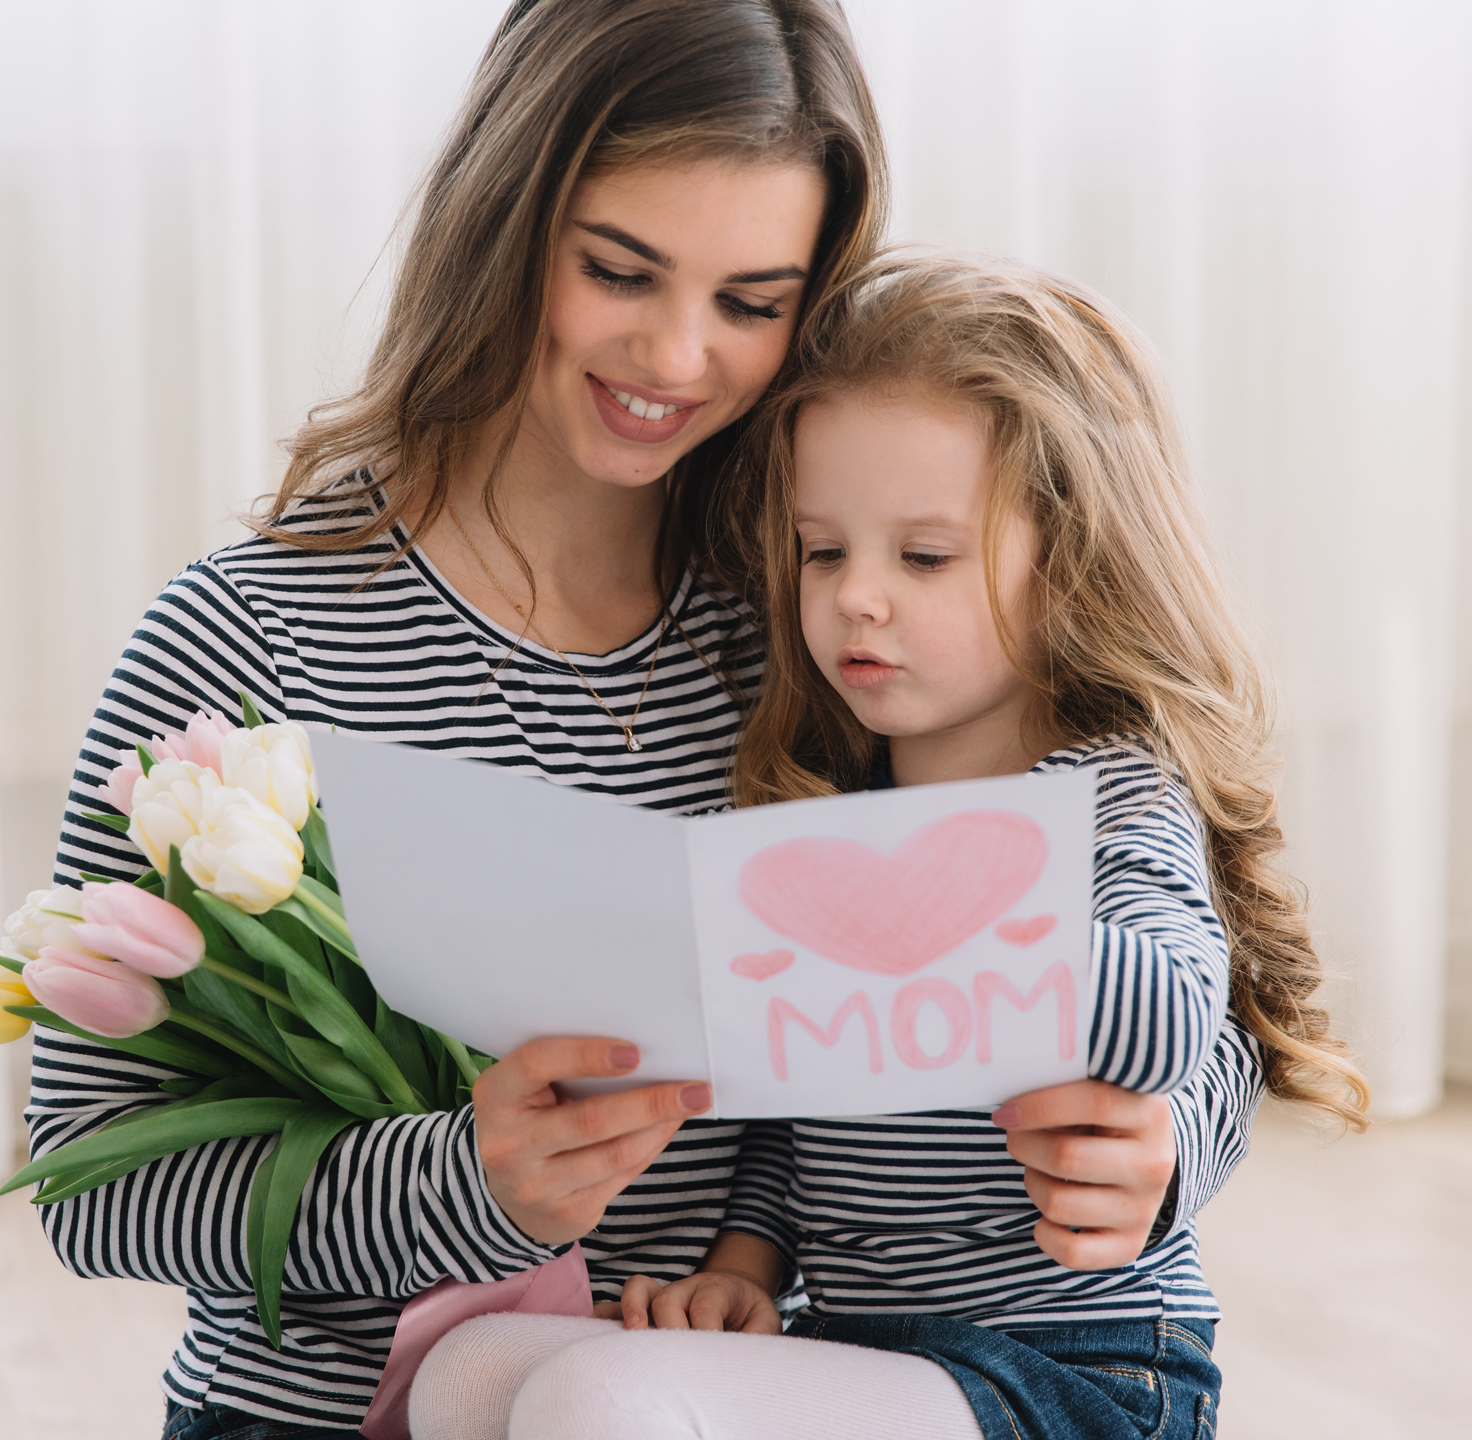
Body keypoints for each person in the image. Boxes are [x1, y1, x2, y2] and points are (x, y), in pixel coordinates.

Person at [26, 5, 1261, 1436]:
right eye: (619, 270)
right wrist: (466, 1190)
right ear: (503, 224)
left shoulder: (811, 617)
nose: (678, 355)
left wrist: (1168, 1147)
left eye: (752, 301)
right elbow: (91, 1178)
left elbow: (1127, 939)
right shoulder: (253, 637)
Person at [411, 257, 1370, 1439]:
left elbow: (1173, 1014)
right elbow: (794, 1107)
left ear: (1070, 570)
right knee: (472, 1368)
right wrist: (748, 1265)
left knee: (599, 1394)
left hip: (1077, 1367)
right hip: (861, 1343)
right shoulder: (835, 804)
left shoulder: (1114, 792)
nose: (858, 597)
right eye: (824, 551)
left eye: (922, 558)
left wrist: (933, 911)